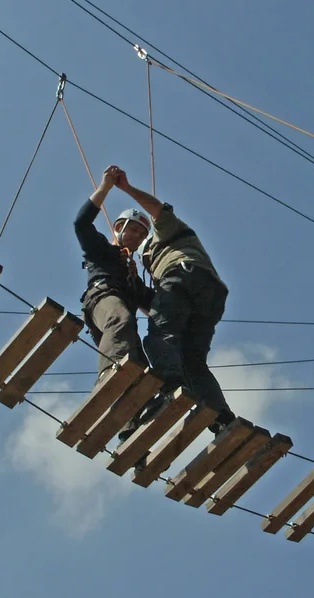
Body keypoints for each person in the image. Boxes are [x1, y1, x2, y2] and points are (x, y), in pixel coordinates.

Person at [114, 168, 235, 436]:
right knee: (193, 362)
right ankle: (222, 419)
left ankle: (170, 385)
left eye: (136, 229)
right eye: (126, 231)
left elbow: (157, 209)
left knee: (159, 337)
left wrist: (126, 187)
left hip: (186, 276)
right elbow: (160, 307)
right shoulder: (151, 263)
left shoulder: (164, 231)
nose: (131, 236)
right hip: (207, 297)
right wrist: (133, 282)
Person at [74, 165, 154, 442]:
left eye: (141, 235)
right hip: (102, 302)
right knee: (121, 318)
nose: (136, 237)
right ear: (118, 228)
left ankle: (132, 430)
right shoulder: (103, 251)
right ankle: (109, 376)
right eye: (132, 230)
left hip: (121, 327)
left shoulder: (133, 277)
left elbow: (156, 305)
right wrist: (105, 187)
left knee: (141, 368)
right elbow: (81, 224)